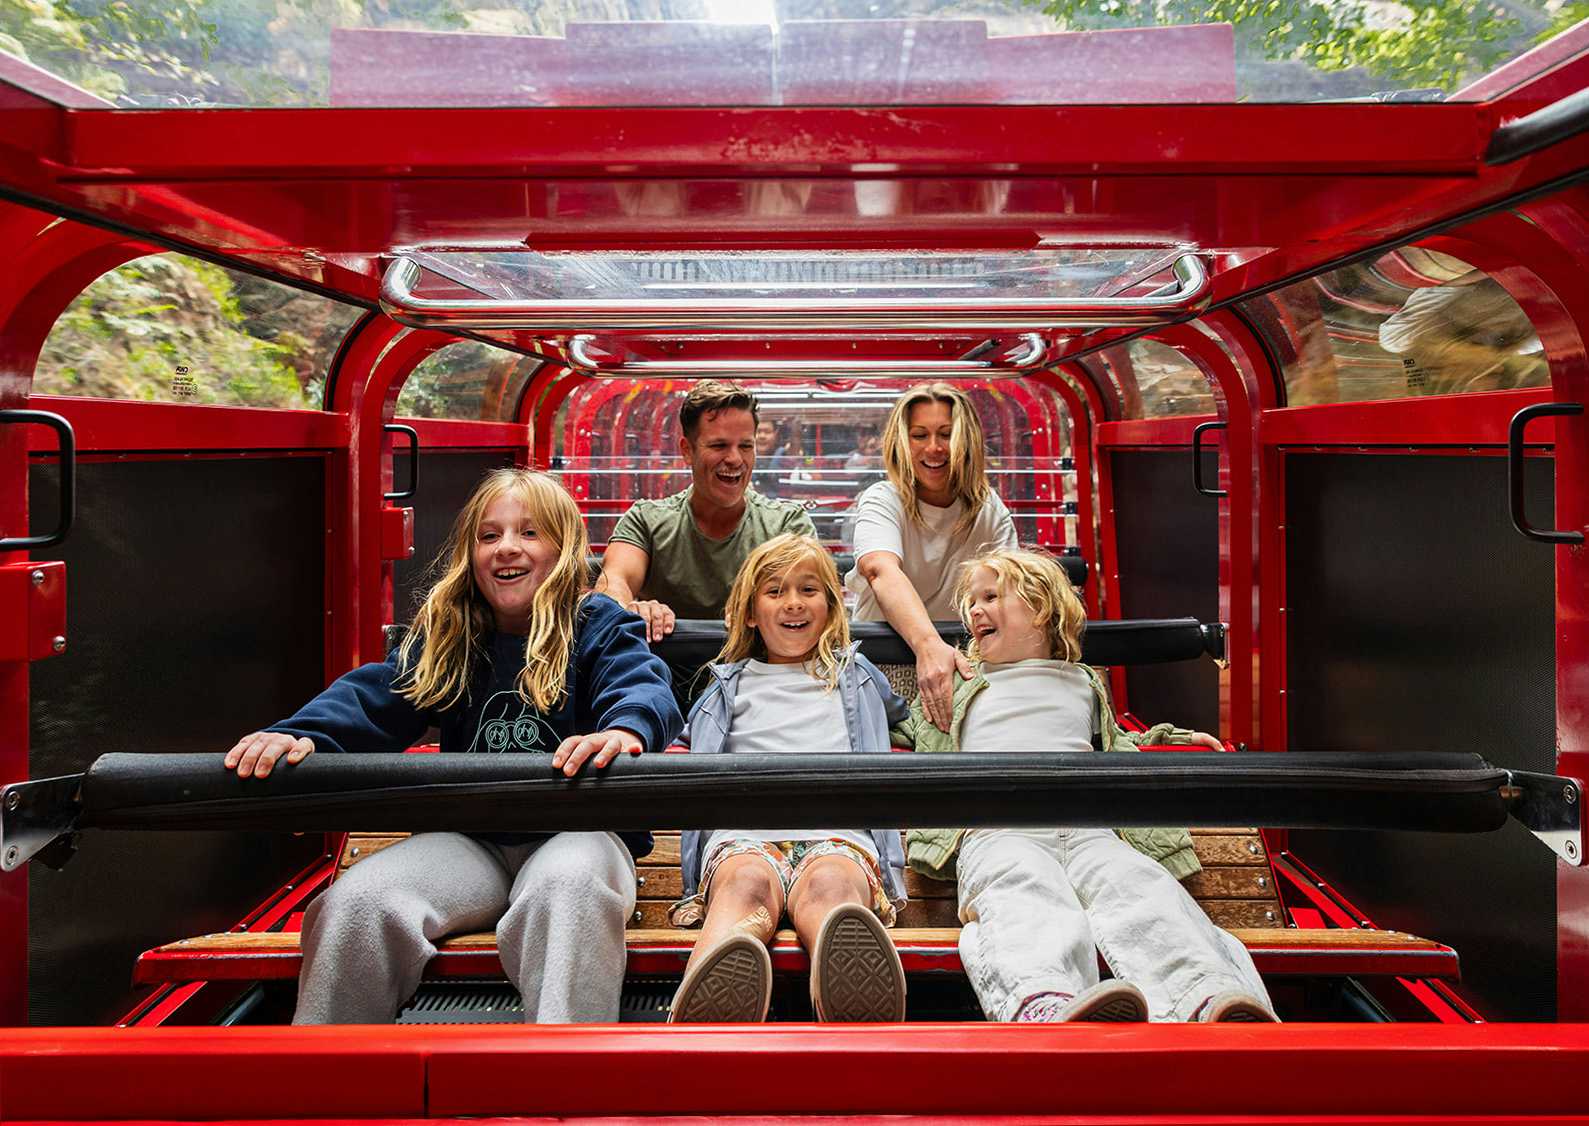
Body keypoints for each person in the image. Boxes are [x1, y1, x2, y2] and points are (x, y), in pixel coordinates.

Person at [223, 468, 683, 1025]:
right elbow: (374, 698)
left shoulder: (596, 625)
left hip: (578, 829)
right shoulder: (453, 633)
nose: (507, 548)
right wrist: (301, 733)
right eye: (489, 536)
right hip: (474, 841)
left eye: (529, 533)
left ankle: (563, 1092)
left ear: (564, 549)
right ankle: (331, 1091)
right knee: (358, 905)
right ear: (470, 552)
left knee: (568, 890)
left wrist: (623, 730)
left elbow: (640, 684)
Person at [895, 547, 1274, 1024]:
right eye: (970, 601)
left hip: (1088, 827)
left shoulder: (1082, 681)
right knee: (1019, 886)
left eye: (990, 596)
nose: (973, 610)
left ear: (1041, 609)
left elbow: (1114, 741)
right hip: (1000, 827)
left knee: (1139, 887)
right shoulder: (962, 682)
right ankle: (1041, 999)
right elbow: (905, 730)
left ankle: (1202, 996)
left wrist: (1169, 738)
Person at [668, 533, 909, 1023]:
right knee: (743, 887)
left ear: (830, 607)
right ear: (751, 613)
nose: (794, 603)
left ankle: (847, 984)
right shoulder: (723, 686)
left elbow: (904, 726)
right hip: (744, 837)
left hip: (838, 835)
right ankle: (710, 996)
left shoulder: (855, 674)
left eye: (809, 590)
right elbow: (683, 748)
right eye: (775, 591)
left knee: (833, 888)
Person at [598, 379, 816, 658]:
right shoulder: (646, 521)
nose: (735, 459)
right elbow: (614, 581)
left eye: (746, 446)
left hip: (757, 685)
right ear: (687, 450)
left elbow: (807, 598)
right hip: (663, 685)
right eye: (719, 446)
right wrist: (632, 608)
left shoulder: (787, 524)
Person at [844, 382, 1017, 732]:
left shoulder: (989, 509)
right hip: (882, 663)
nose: (934, 448)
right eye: (920, 435)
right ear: (902, 442)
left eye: (946, 434)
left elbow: (1011, 592)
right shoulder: (882, 499)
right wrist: (928, 647)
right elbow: (881, 570)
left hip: (967, 662)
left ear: (965, 440)